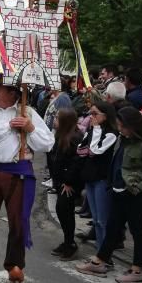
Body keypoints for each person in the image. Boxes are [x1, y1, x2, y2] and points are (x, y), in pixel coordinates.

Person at [0, 77, 54, 283]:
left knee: (18, 220)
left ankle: (15, 265)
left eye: (0, 89)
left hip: (19, 172)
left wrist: (30, 128)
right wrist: (9, 126)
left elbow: (47, 144)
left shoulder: (29, 113)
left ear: (14, 93)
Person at [76, 107, 142, 283]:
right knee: (112, 227)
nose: (120, 129)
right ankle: (101, 261)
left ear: (132, 126)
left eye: (123, 126)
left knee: (138, 231)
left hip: (135, 195)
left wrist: (138, 189)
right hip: (118, 191)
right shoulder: (122, 140)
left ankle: (137, 270)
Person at [76, 100, 119, 250]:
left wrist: (96, 131)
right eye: (90, 113)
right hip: (90, 177)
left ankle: (104, 253)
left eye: (95, 113)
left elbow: (95, 150)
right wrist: (92, 135)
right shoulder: (92, 131)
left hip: (102, 178)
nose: (91, 116)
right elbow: (81, 150)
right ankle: (100, 250)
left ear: (106, 116)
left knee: (102, 219)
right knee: (95, 219)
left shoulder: (111, 134)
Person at [48, 108, 83, 260]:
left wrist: (68, 181)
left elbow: (76, 163)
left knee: (64, 211)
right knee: (63, 211)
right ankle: (68, 241)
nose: (54, 120)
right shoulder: (61, 136)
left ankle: (70, 244)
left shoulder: (74, 138)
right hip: (60, 181)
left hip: (69, 183)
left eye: (57, 118)